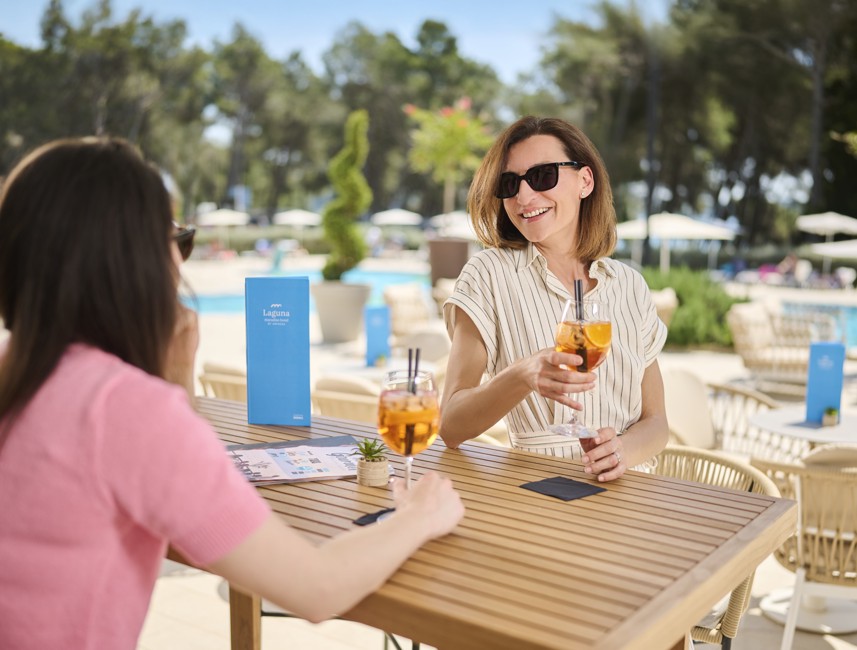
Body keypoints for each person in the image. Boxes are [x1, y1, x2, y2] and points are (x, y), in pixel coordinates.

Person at [0, 137, 464, 649]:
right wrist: (420, 514)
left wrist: (172, 380)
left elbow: (168, 493)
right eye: (179, 240)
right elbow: (316, 588)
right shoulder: (121, 409)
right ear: (136, 261)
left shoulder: (23, 377)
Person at [440, 116, 669, 482]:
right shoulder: (488, 275)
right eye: (510, 183)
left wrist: (621, 451)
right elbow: (450, 426)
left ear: (585, 181)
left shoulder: (629, 285)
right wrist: (524, 374)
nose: (524, 197)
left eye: (543, 175)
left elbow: (657, 423)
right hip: (538, 493)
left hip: (630, 491)